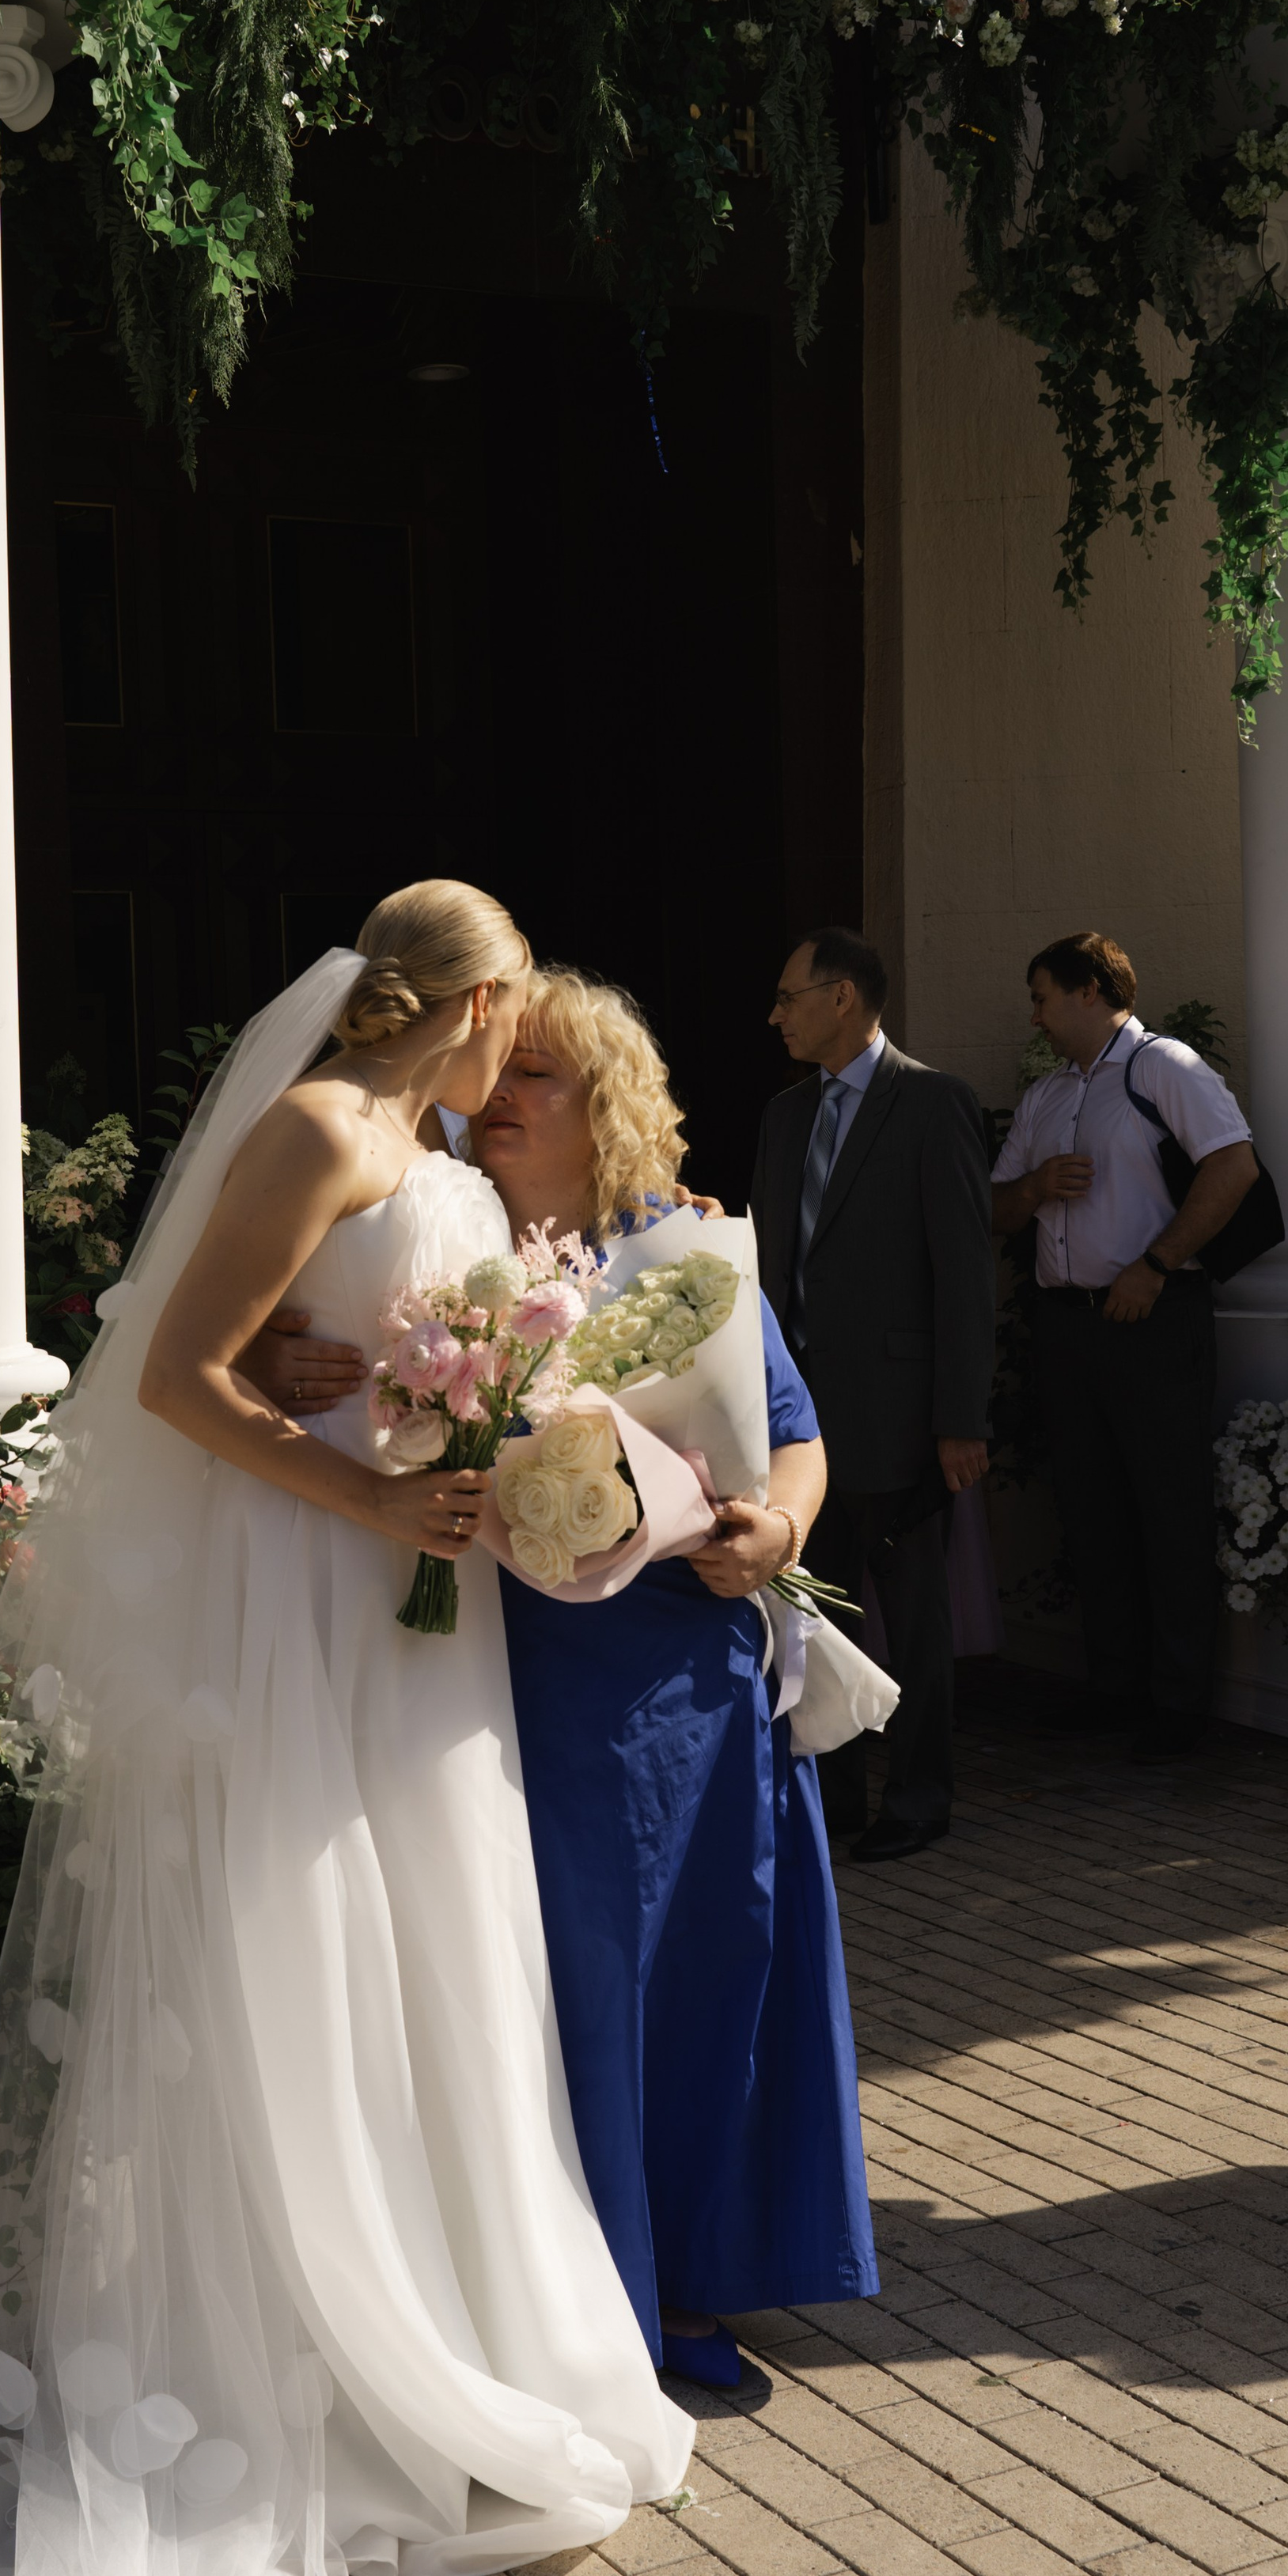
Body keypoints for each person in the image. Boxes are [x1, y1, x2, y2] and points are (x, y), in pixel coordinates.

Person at [0, 884, 695, 2576]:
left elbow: (316, 1355)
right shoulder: (320, 1127)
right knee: (312, 1929)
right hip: (315, 1590)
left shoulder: (411, 1149)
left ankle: (454, 2326)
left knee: (433, 1939)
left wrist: (497, 1436)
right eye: (517, 1010)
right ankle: (319, 2367)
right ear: (482, 999)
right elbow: (177, 1375)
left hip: (410, 1598)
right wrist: (368, 1480)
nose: (520, 1048)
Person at [250, 973, 878, 2399]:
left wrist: (776, 1530)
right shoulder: (432, 1241)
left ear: (608, 1106)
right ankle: (583, 2295)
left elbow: (796, 1436)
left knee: (709, 1971)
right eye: (502, 1066)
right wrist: (293, 1359)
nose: (502, 1093)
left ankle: (700, 2276)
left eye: (541, 1074)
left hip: (691, 1669)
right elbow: (303, 1356)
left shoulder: (686, 1252)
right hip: (503, 1666)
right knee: (561, 1986)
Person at [747, 927, 994, 1866]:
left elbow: (964, 1276)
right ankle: (837, 1791)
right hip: (798, 1417)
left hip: (899, 1414)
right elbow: (769, 1269)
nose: (775, 1015)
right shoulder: (781, 1116)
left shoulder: (932, 1104)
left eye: (787, 996)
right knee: (815, 1612)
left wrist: (958, 1419)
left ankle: (920, 1794)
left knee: (916, 1619)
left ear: (841, 997)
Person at [992, 930, 1257, 1760]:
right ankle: (1113, 1688)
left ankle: (1178, 1706)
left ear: (1087, 992)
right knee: (1090, 1506)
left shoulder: (1162, 1068)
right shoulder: (1044, 1097)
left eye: (1042, 997)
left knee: (1166, 1506)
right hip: (1066, 1324)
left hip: (1150, 1317)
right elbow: (994, 1209)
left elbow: (1234, 1166)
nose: (1033, 1017)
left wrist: (1156, 1264)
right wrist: (1034, 1188)